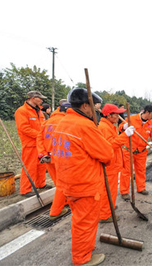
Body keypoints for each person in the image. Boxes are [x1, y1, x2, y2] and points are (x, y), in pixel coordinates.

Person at [52, 88, 113, 265]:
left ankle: (84, 248)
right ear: (85, 106)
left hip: (68, 182)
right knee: (85, 223)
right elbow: (107, 154)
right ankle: (82, 258)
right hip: (84, 184)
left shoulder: (63, 122)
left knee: (79, 220)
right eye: (96, 106)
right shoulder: (85, 126)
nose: (97, 110)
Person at [98, 104, 134, 223]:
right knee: (108, 190)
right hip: (109, 165)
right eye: (116, 114)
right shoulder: (104, 127)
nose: (119, 116)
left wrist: (123, 130)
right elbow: (110, 145)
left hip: (112, 163)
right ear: (109, 115)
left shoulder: (109, 125)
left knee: (110, 189)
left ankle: (110, 208)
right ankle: (105, 215)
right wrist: (125, 135)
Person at [36, 102, 71, 220]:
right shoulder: (65, 122)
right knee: (63, 184)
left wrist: (43, 153)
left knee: (58, 182)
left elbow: (39, 138)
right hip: (60, 158)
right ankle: (55, 212)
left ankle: (65, 202)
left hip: (47, 157)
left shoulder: (47, 122)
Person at [119, 105, 152, 200]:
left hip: (141, 151)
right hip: (128, 150)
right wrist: (124, 127)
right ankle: (124, 192)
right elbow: (120, 128)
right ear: (147, 112)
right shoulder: (131, 119)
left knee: (141, 171)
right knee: (126, 171)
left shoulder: (151, 124)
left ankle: (141, 188)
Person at [14, 91, 51, 197]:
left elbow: (43, 125)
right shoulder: (22, 111)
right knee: (29, 166)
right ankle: (25, 190)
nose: (42, 100)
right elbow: (24, 128)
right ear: (33, 98)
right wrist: (40, 135)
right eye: (40, 98)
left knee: (41, 164)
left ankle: (41, 184)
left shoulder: (39, 111)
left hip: (40, 143)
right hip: (30, 144)